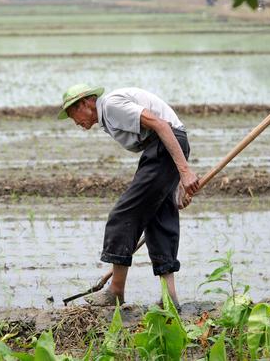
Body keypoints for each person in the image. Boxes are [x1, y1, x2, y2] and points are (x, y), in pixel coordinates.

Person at [58, 83, 199, 307]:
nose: (75, 121)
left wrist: (184, 172)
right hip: (163, 148)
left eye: (72, 113)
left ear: (86, 103)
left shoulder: (112, 105)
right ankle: (170, 298)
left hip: (164, 144)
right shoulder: (108, 114)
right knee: (158, 221)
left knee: (123, 215)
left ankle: (115, 291)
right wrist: (173, 185)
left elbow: (161, 125)